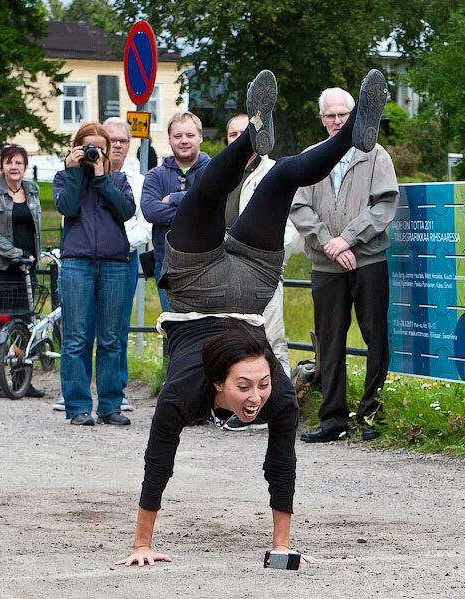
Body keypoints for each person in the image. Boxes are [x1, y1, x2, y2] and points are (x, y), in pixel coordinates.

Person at [114, 69, 387, 568]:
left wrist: (282, 546)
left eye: (259, 386)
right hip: (251, 287)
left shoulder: (223, 388)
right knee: (257, 184)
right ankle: (253, 144)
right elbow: (160, 462)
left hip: (194, 286)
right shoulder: (221, 388)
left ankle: (353, 133)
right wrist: (142, 547)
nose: (258, 396)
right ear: (222, 383)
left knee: (210, 198)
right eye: (250, 388)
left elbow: (278, 462)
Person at [290, 85, 399, 444]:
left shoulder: (375, 154)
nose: (337, 121)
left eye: (343, 114)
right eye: (330, 115)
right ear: (321, 119)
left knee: (375, 337)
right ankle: (332, 418)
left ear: (354, 116)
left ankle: (371, 413)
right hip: (325, 265)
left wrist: (348, 239)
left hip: (367, 260)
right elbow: (299, 206)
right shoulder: (311, 156)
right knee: (330, 341)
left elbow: (384, 204)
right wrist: (329, 244)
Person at [220, 113, 299, 432]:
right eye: (233, 134)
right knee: (231, 341)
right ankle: (242, 409)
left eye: (246, 133)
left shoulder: (275, 173)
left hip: (261, 271)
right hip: (225, 273)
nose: (239, 139)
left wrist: (267, 258)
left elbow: (291, 228)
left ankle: (279, 408)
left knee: (271, 338)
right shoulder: (223, 173)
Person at [54, 122, 136, 426]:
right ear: (76, 147)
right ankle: (77, 407)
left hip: (115, 263)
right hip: (77, 262)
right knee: (75, 337)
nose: (93, 152)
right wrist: (75, 172)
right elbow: (68, 208)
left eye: (98, 148)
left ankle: (110, 405)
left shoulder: (118, 179)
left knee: (112, 338)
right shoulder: (65, 177)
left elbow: (126, 211)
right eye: (87, 146)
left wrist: (103, 177)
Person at [0, 144, 46, 398]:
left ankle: (22, 379)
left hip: (28, 268)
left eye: (18, 162)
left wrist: (39, 254)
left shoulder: (33, 190)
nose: (13, 167)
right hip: (0, 267)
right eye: (9, 162)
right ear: (2, 166)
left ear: (24, 166)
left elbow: (36, 226)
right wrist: (14, 253)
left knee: (27, 324)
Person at [141, 111, 210, 311]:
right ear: (170, 140)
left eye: (190, 135)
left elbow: (214, 208)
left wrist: (174, 198)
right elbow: (150, 211)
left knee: (206, 328)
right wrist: (195, 210)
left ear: (200, 137)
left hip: (207, 264)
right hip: (167, 265)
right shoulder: (155, 175)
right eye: (177, 136)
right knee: (173, 328)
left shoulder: (214, 170)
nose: (184, 141)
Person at [105, 116, 151, 410]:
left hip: (124, 257)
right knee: (84, 328)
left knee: (118, 328)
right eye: (111, 140)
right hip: (90, 260)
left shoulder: (139, 182)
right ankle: (81, 387)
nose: (118, 146)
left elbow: (145, 225)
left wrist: (116, 239)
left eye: (123, 140)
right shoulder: (85, 175)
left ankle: (116, 390)